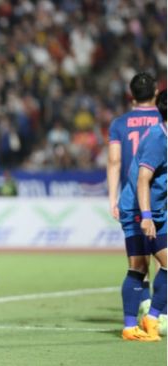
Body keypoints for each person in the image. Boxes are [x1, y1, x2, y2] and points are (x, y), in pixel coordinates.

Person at [107, 72, 162, 340]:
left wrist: (112, 198)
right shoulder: (162, 120)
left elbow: (115, 161)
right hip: (154, 200)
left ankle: (137, 319)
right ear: (155, 93)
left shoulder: (119, 123)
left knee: (138, 267)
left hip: (130, 198)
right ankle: (154, 315)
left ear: (131, 96)